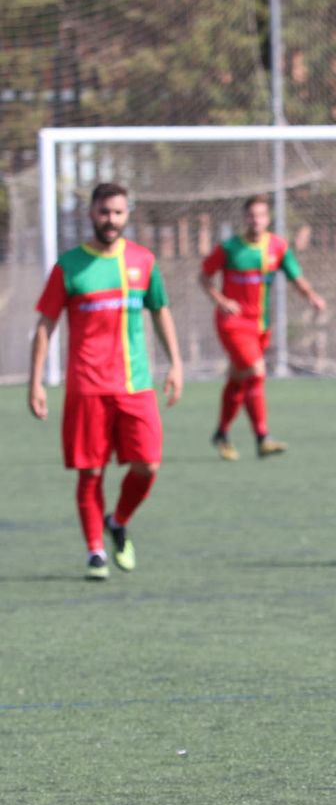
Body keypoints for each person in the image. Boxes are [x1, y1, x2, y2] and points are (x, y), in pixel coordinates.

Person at [27, 182, 184, 580]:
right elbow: (45, 326)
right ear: (91, 213)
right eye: (103, 212)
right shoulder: (69, 266)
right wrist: (36, 382)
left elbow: (160, 311)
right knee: (91, 472)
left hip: (136, 384)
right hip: (87, 387)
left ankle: (118, 520)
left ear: (126, 214)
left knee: (148, 465)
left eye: (117, 212)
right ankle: (95, 551)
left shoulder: (143, 261)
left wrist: (176, 364)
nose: (110, 220)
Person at [201, 194, 326, 460]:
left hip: (260, 325)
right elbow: (203, 277)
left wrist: (313, 297)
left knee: (237, 380)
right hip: (232, 324)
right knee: (256, 373)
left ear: (267, 219)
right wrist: (221, 301)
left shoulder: (277, 247)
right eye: (251, 215)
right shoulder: (230, 248)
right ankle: (262, 437)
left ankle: (222, 433)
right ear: (245, 218)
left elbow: (296, 277)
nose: (255, 220)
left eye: (260, 215)